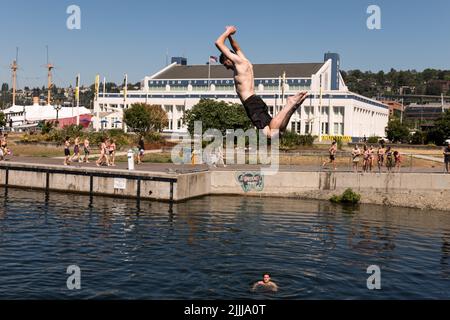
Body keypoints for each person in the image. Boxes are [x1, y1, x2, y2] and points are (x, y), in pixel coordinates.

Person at [215, 26, 308, 138]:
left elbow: (218, 43)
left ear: (228, 58)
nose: (226, 67)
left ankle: (289, 104)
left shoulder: (239, 64)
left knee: (271, 134)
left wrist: (228, 31)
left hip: (251, 103)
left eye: (225, 64)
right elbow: (237, 48)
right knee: (279, 132)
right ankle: (292, 108)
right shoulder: (246, 62)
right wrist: (230, 37)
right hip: (255, 101)